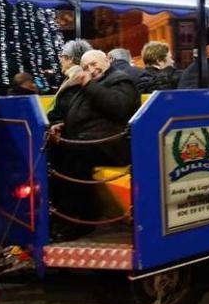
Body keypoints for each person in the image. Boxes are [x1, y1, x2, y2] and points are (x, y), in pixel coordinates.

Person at [49, 49, 140, 241]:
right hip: (89, 140)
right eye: (85, 68)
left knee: (75, 155)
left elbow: (117, 107)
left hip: (112, 144)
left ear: (106, 60)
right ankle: (61, 215)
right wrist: (62, 126)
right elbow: (79, 113)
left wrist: (89, 84)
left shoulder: (120, 80)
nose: (91, 69)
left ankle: (82, 218)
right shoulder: (92, 84)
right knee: (52, 151)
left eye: (94, 64)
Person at [48, 39, 92, 125]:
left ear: (70, 59)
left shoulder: (75, 79)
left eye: (62, 56)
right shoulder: (76, 77)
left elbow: (64, 110)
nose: (60, 60)